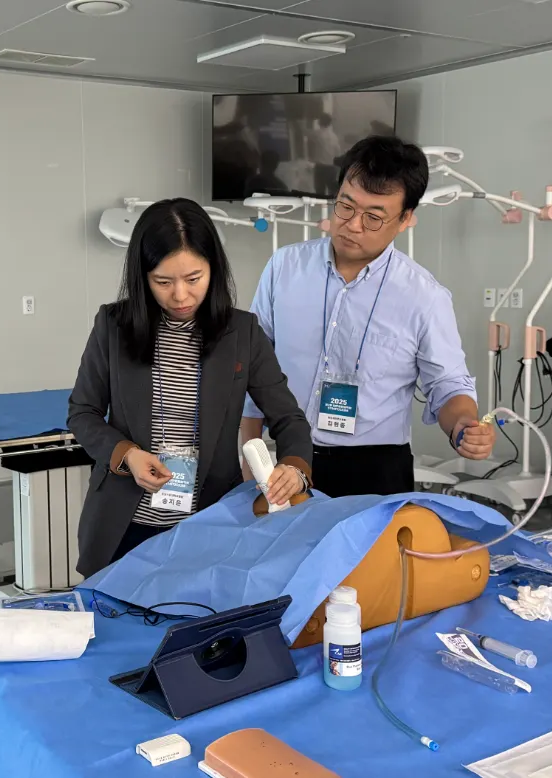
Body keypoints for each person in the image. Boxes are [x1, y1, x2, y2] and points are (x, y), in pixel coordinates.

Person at [69, 198, 313, 578]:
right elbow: (83, 413)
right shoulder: (113, 327)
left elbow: (289, 419)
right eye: (163, 282)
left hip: (209, 524)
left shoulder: (242, 334)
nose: (180, 295)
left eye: (193, 279)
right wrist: (127, 455)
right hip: (123, 526)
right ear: (142, 277)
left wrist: (295, 468)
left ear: (213, 268)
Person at [241, 136, 495, 498]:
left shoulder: (424, 296)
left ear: (405, 219)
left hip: (375, 469)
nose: (353, 225)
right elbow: (254, 365)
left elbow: (449, 385)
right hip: (288, 458)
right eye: (345, 206)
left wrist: (464, 426)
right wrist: (248, 453)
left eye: (373, 217)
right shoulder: (285, 268)